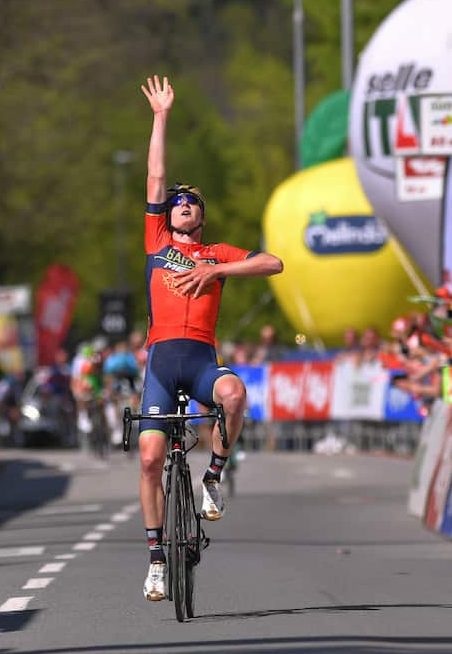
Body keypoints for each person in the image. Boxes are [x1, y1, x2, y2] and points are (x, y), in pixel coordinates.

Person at [137, 75, 284, 601]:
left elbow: (273, 262)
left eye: (191, 203)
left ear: (201, 218)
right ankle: (156, 558)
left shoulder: (217, 253)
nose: (181, 205)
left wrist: (218, 273)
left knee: (235, 394)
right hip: (160, 364)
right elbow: (155, 174)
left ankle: (214, 475)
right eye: (176, 201)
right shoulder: (157, 241)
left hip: (200, 361)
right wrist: (161, 115)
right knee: (151, 458)